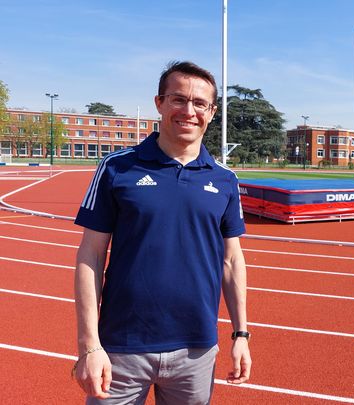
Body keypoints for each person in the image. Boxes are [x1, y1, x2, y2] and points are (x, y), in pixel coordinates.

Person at [73, 60, 251, 404]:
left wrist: (241, 333)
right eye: (178, 99)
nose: (189, 111)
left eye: (200, 103)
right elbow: (90, 256)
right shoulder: (117, 168)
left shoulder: (225, 179)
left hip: (196, 348)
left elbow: (232, 260)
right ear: (159, 103)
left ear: (211, 112)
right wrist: (88, 346)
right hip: (121, 347)